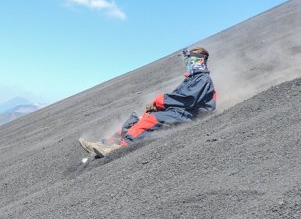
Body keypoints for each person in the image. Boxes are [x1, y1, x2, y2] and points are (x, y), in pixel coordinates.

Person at [79, 46, 216, 157]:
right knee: (137, 119)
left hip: (189, 115)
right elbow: (178, 98)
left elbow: (188, 99)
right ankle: (105, 143)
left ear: (201, 61)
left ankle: (118, 148)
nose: (188, 64)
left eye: (191, 60)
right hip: (179, 111)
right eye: (187, 61)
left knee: (151, 119)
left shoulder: (203, 79)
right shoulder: (192, 78)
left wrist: (160, 102)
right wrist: (156, 106)